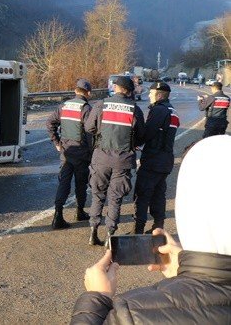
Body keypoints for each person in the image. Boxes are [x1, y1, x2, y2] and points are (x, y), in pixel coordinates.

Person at [71, 135, 231, 324]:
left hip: (104, 159)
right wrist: (192, 268)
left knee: (109, 197)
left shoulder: (130, 313)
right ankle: (113, 229)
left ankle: (102, 229)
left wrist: (95, 298)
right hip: (136, 161)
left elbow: (140, 134)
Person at [85, 76, 145, 246]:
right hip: (123, 161)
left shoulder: (101, 104)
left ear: (116, 87)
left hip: (101, 158)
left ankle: (93, 231)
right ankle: (110, 236)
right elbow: (142, 135)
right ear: (129, 91)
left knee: (97, 195)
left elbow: (89, 127)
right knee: (115, 198)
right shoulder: (135, 109)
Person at [46, 78, 93, 229]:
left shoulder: (63, 106)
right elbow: (91, 133)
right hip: (81, 152)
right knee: (81, 184)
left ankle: (57, 215)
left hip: (66, 151)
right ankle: (80, 212)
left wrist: (57, 142)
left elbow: (49, 123)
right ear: (89, 93)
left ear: (75, 91)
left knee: (64, 183)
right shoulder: (86, 109)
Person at [133, 81, 178, 234]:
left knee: (143, 194)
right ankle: (158, 227)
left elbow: (147, 132)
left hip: (153, 159)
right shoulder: (172, 110)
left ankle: (137, 230)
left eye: (151, 93)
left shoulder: (159, 110)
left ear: (159, 95)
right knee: (158, 195)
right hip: (165, 160)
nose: (149, 96)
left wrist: (134, 142)